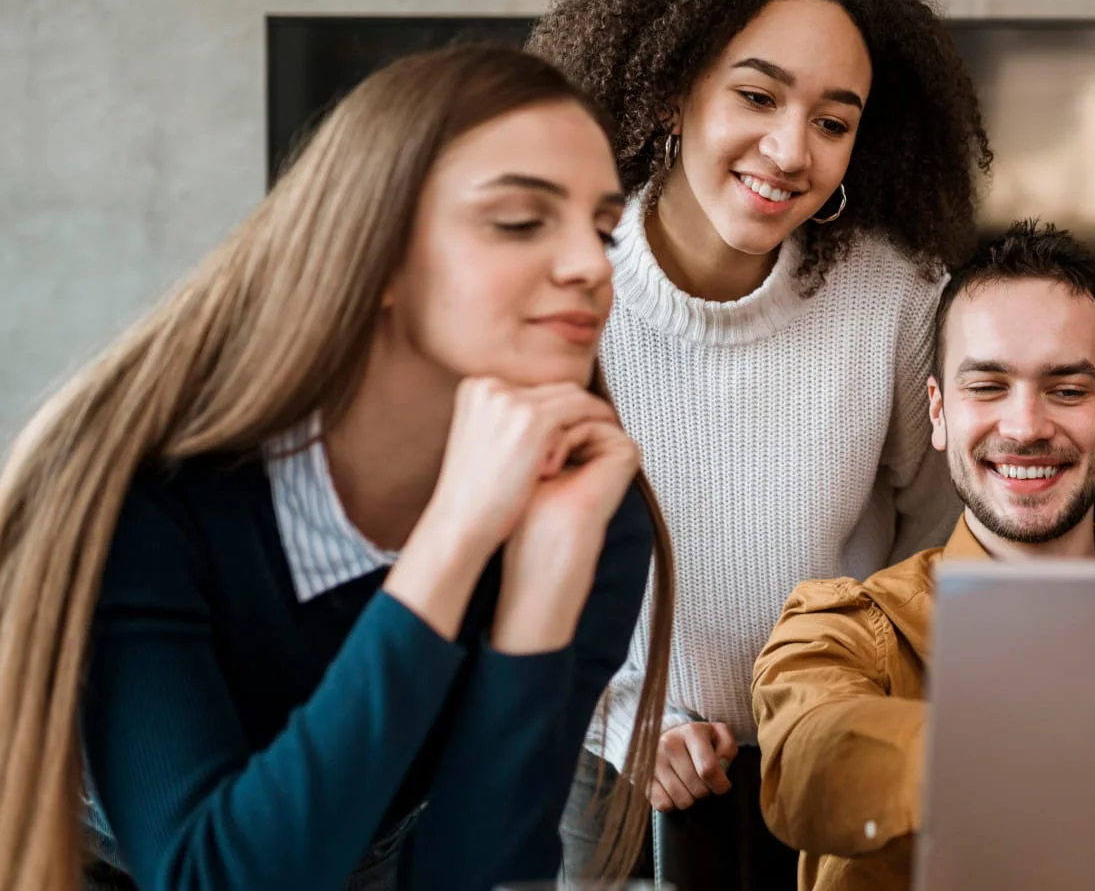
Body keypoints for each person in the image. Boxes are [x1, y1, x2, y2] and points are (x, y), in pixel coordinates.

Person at [0, 44, 674, 890]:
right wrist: (456, 536)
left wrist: (539, 592)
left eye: (602, 229)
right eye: (518, 221)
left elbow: (472, 874)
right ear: (377, 251)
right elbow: (208, 877)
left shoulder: (590, 513)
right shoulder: (150, 495)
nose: (589, 265)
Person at [527, 0, 983, 885]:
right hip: (610, 767)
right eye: (757, 98)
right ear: (668, 94)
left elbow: (938, 532)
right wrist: (622, 719)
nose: (790, 151)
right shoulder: (559, 287)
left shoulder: (896, 296)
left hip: (839, 748)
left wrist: (856, 698)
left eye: (831, 122)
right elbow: (499, 553)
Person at [752, 221, 1095, 891]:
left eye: (1067, 390)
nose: (1024, 427)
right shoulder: (841, 631)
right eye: (986, 387)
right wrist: (1045, 763)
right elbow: (809, 762)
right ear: (937, 412)